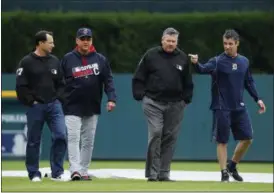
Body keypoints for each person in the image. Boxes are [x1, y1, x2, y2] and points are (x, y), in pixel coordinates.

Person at [188, 29, 266, 182]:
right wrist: (196, 63)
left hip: (239, 107)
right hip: (221, 107)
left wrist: (258, 99)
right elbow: (203, 69)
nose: (227, 46)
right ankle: (224, 172)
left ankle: (232, 166)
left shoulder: (244, 61)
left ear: (237, 44)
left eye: (230, 44)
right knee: (222, 141)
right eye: (225, 43)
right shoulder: (217, 61)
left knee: (248, 138)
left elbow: (248, 82)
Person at [132, 27, 194, 182]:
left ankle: (163, 173)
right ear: (162, 40)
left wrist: (186, 99)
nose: (170, 44)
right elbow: (139, 76)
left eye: (173, 41)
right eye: (168, 41)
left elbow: (188, 81)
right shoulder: (151, 55)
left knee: (170, 137)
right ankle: (152, 174)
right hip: (153, 102)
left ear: (177, 42)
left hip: (175, 104)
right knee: (156, 133)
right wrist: (139, 94)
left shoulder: (183, 58)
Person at [60, 27, 117, 181]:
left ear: (91, 40)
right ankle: (75, 170)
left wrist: (111, 98)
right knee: (73, 137)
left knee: (88, 140)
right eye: (82, 39)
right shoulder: (68, 58)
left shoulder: (100, 59)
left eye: (88, 39)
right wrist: (62, 98)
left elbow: (108, 80)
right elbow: (59, 82)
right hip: (72, 105)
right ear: (77, 41)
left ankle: (84, 170)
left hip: (92, 104)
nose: (85, 41)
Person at [15, 30, 67, 182]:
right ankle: (33, 173)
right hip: (35, 107)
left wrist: (58, 99)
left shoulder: (55, 61)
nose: (53, 45)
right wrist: (32, 101)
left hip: (54, 105)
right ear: (41, 43)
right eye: (50, 42)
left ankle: (57, 172)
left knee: (60, 135)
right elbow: (21, 86)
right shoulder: (26, 62)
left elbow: (62, 84)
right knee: (33, 140)